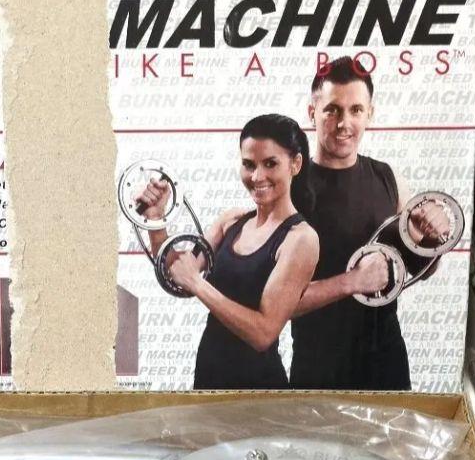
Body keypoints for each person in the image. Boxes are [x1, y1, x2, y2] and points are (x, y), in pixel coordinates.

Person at [138, 114, 319, 390]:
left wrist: (198, 284)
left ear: (295, 164)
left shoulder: (301, 239)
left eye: (270, 164)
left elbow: (263, 333)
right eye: (249, 164)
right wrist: (156, 220)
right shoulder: (231, 221)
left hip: (258, 389)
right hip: (209, 375)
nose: (257, 176)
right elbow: (179, 276)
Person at [290, 56, 423, 390]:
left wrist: (428, 239)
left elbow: (419, 268)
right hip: (317, 367)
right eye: (332, 110)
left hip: (386, 362)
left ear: (369, 114)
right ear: (312, 113)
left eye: (355, 110)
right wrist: (353, 281)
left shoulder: (389, 178)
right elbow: (274, 302)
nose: (343, 123)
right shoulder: (289, 190)